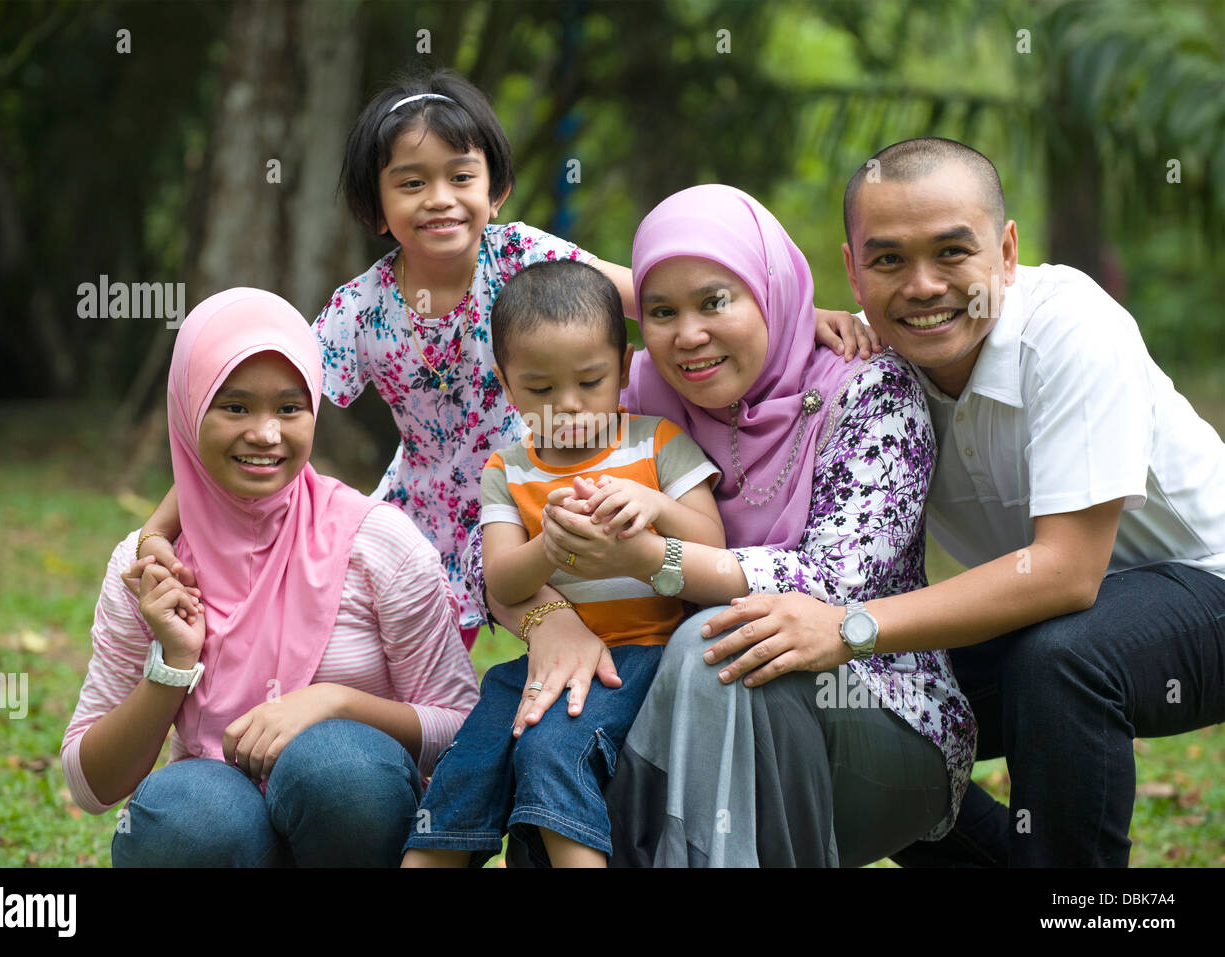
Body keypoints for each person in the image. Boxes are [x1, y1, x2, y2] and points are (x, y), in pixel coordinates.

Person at [126, 69, 879, 645]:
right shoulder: (361, 311)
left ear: (497, 187)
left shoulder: (519, 253)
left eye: (461, 176)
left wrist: (789, 311)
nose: (440, 199)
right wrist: (169, 521)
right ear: (374, 207)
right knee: (416, 668)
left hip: (544, 487)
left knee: (599, 632)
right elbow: (270, 404)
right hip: (422, 512)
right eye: (411, 183)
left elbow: (642, 293)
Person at [703, 137, 1225, 867]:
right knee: (852, 693)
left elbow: (1066, 575)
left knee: (1058, 660)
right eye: (888, 260)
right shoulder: (868, 365)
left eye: (953, 252)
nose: (922, 286)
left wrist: (851, 625)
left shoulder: (1075, 331)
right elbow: (683, 313)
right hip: (1048, 609)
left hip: (1203, 586)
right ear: (852, 269)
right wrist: (790, 320)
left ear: (1006, 252)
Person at [466, 185, 977, 867]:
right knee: (562, 751)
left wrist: (652, 556)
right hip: (676, 696)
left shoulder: (869, 391)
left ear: (771, 293)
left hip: (869, 703)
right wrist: (548, 615)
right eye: (661, 311)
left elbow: (833, 583)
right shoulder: (629, 389)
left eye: (716, 301)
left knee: (711, 644)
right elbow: (509, 531)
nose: (689, 334)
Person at [60, 287, 480, 867]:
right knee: (190, 820)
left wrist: (334, 703)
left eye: (289, 408)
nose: (266, 434)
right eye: (234, 407)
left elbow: (463, 728)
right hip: (222, 821)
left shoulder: (378, 542)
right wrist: (173, 666)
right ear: (188, 411)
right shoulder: (150, 569)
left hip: (355, 827)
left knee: (338, 770)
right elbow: (91, 784)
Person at [402, 260, 725, 868]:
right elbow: (500, 578)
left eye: (590, 381)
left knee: (553, 752)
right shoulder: (507, 468)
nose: (567, 407)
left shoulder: (657, 443)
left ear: (625, 368)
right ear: (506, 383)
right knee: (469, 761)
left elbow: (714, 542)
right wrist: (546, 548)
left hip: (641, 656)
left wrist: (656, 504)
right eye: (541, 390)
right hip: (541, 662)